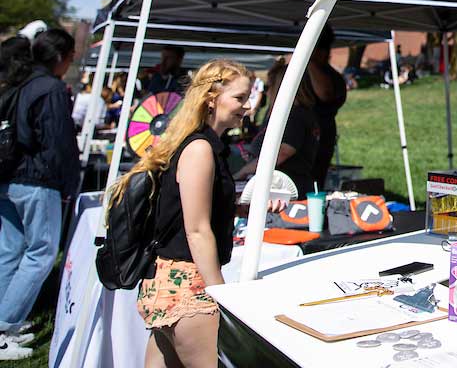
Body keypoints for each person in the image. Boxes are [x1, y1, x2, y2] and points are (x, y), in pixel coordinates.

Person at [110, 59, 283, 367]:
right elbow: (197, 229)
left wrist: (246, 207)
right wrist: (221, 296)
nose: (247, 106)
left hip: (167, 282)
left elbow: (192, 208)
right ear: (212, 98)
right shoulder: (200, 149)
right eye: (240, 98)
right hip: (188, 286)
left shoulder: (202, 146)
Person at [0, 29, 79, 359]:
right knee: (40, 253)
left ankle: (6, 325)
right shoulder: (50, 88)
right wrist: (69, 183)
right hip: (37, 180)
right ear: (61, 58)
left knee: (10, 251)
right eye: (72, 57)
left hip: (10, 178)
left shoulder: (18, 84)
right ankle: (5, 326)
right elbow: (58, 142)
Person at [236, 60, 322, 196]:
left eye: (269, 86)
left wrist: (245, 170)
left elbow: (282, 152)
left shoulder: (294, 115)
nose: (267, 91)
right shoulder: (292, 113)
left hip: (285, 190)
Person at [303, 26, 347, 188]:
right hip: (306, 138)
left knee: (313, 183)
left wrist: (309, 60)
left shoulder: (330, 78)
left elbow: (325, 94)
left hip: (319, 139)